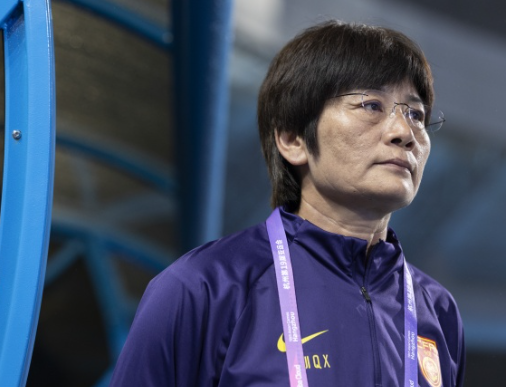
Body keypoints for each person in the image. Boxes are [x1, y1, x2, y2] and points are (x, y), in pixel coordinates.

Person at [110, 20, 465, 387]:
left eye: (416, 114)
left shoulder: (436, 311)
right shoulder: (203, 288)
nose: (404, 133)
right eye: (371, 105)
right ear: (293, 139)